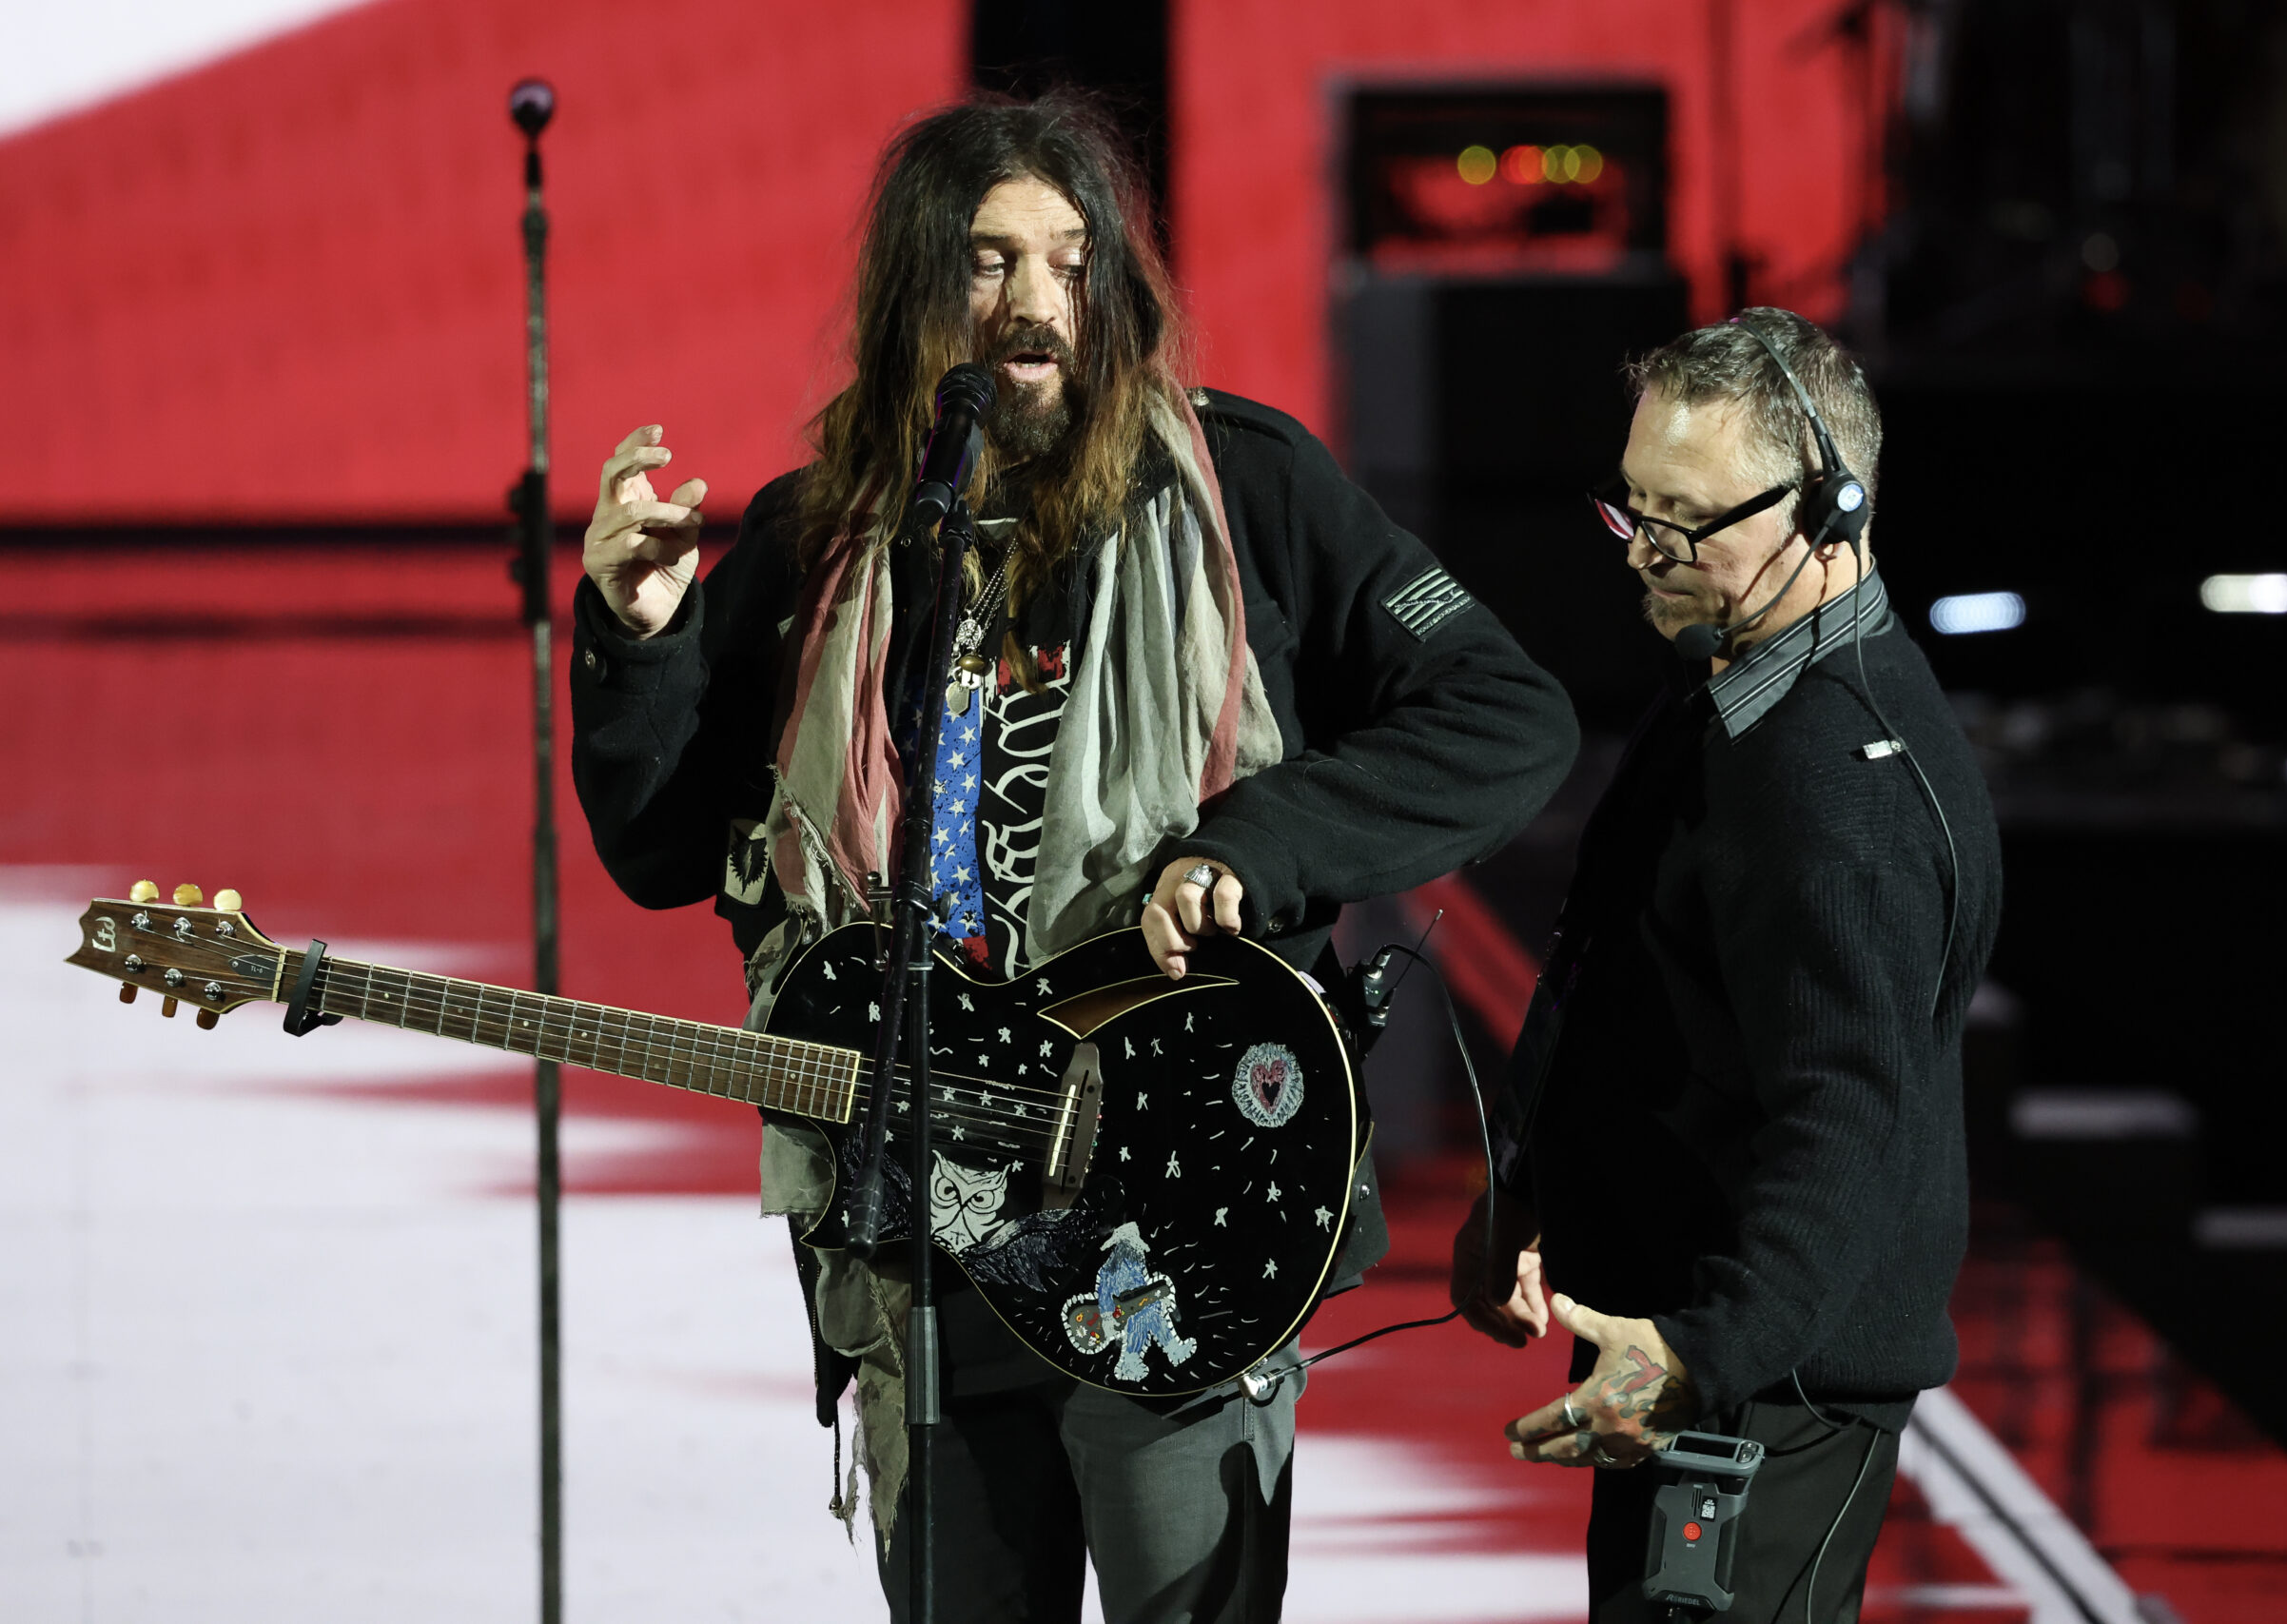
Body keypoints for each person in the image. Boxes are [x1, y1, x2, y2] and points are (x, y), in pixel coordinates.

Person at [568, 93, 1576, 1623]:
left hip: (1183, 1210)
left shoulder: (1250, 491)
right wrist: (639, 647)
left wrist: (1262, 841)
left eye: (1071, 259)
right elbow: (658, 850)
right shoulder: (827, 538)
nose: (1035, 306)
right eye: (985, 264)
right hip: (930, 1236)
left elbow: (1510, 716)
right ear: (918, 294)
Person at [1450, 308, 2000, 1622]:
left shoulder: (1835, 786)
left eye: (1686, 519)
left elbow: (1852, 1118)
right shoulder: (1739, 689)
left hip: (1765, 1393)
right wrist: (1527, 1180)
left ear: (1831, 510)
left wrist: (1703, 1355)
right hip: (1712, 1363)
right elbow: (1603, 958)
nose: (1646, 552)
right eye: (1632, 508)